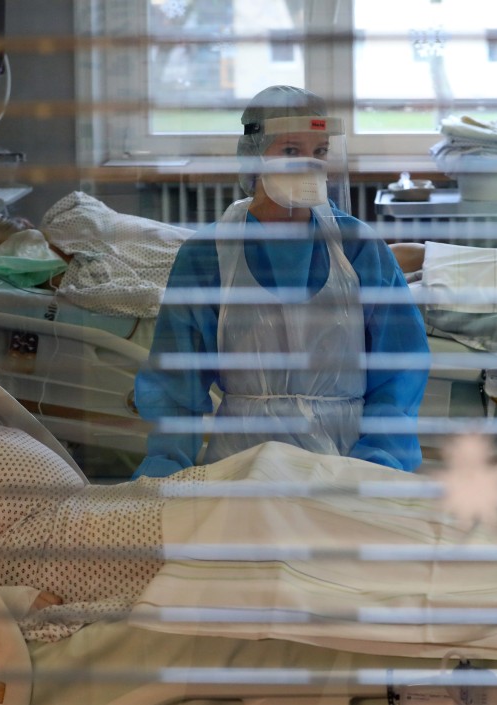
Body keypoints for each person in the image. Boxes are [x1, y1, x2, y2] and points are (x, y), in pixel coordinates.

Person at [132, 86, 430, 478]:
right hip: (244, 460)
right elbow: (176, 386)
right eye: (291, 151)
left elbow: (399, 368)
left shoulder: (358, 248)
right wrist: (164, 472)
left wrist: (377, 464)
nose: (309, 165)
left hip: (345, 460)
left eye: (319, 151)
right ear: (254, 155)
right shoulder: (208, 254)